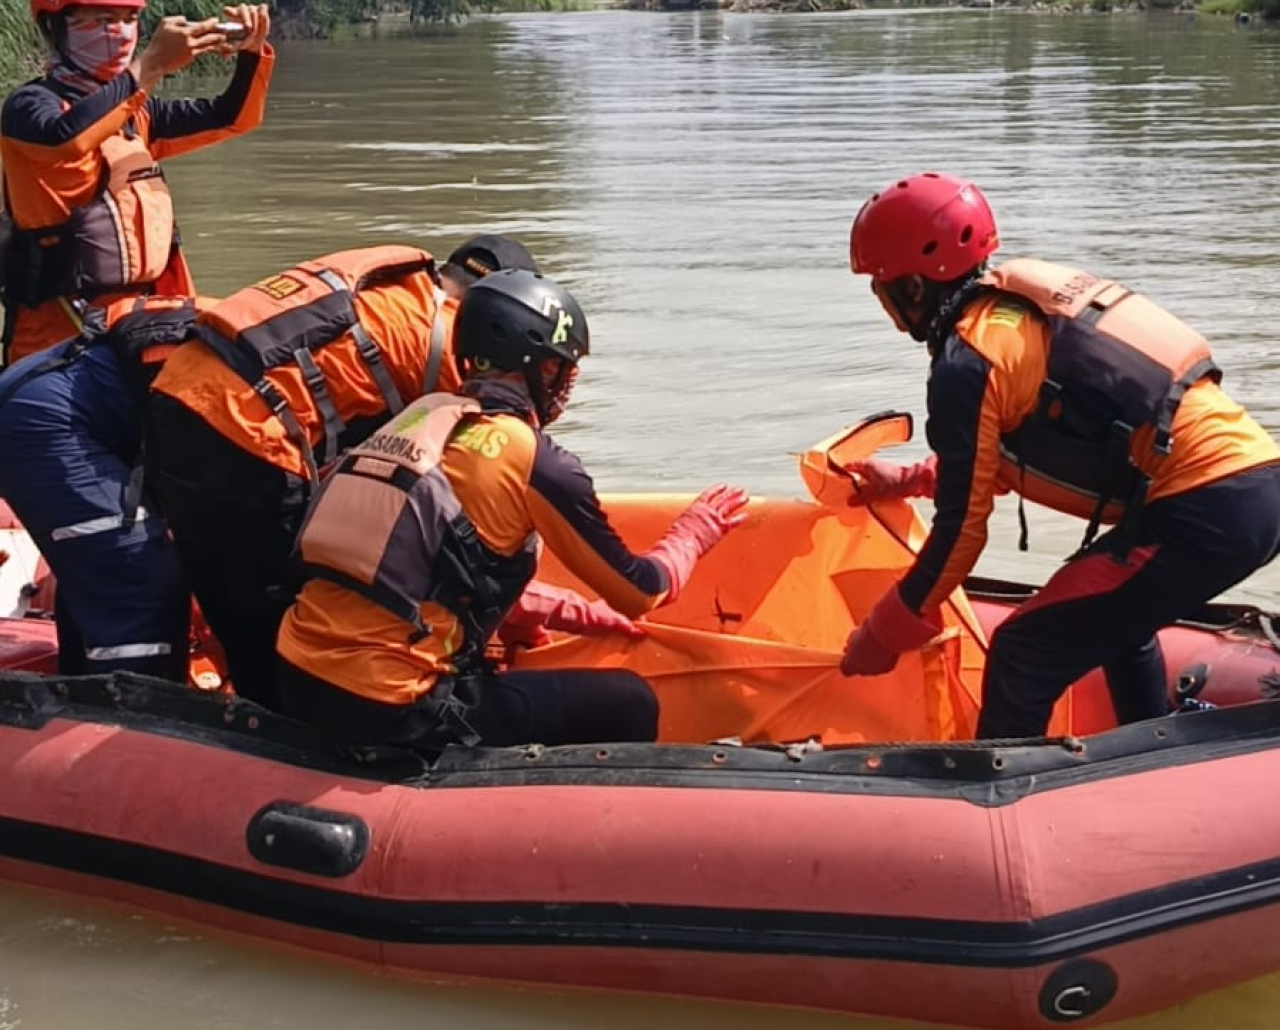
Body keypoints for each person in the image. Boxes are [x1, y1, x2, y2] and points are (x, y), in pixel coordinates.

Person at [840, 171, 1280, 739]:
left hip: (1205, 511)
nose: (884, 306)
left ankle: (997, 802)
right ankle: (1148, 745)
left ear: (916, 288)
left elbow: (959, 533)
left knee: (1023, 648)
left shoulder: (964, 362)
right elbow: (1005, 458)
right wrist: (907, 480)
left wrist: (885, 632)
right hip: (1254, 484)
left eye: (883, 288)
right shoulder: (1014, 315)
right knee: (1116, 617)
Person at [275, 268, 750, 755]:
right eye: (562, 368)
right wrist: (694, 532)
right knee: (630, 701)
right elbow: (641, 590)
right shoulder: (537, 461)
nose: (565, 384)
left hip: (297, 674)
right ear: (543, 369)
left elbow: (423, 568)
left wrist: (579, 614)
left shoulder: (419, 419)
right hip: (390, 707)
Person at [144, 234, 541, 707]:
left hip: (176, 392)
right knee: (280, 606)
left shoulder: (396, 289)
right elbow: (468, 518)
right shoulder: (460, 347)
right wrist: (523, 620)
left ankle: (234, 704)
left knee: (232, 591)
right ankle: (289, 737)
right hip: (245, 431)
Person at [2, 0, 274, 364]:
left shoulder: (137, 112)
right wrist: (152, 66)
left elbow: (231, 118)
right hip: (57, 345)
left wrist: (252, 53)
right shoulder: (29, 106)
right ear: (55, 24)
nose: (122, 32)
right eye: (103, 20)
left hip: (142, 327)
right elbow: (65, 140)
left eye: (130, 19)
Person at [0, 301, 200, 678]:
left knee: (102, 564)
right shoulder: (311, 369)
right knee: (137, 574)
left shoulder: (298, 345)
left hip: (56, 386)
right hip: (51, 420)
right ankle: (139, 718)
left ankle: (83, 689)